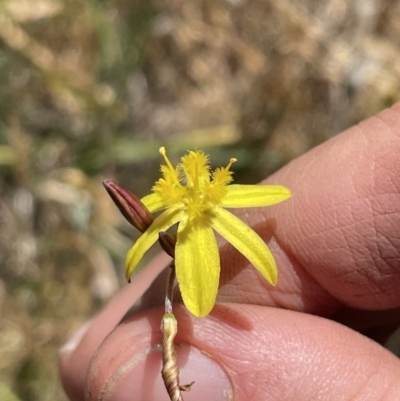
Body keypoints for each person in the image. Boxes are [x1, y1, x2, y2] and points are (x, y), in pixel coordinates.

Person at [59, 103, 400, 401]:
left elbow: (271, 211)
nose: (193, 185)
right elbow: (145, 249)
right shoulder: (169, 215)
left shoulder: (222, 211)